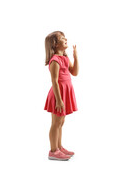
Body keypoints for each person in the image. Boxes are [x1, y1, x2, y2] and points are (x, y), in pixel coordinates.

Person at [44, 31, 79, 160]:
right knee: (56, 123)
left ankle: (59, 146)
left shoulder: (65, 58)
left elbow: (74, 72)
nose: (66, 39)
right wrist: (59, 100)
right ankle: (53, 151)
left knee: (61, 122)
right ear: (55, 44)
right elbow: (54, 81)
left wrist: (75, 57)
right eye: (62, 38)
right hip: (58, 94)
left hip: (65, 93)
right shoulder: (55, 60)